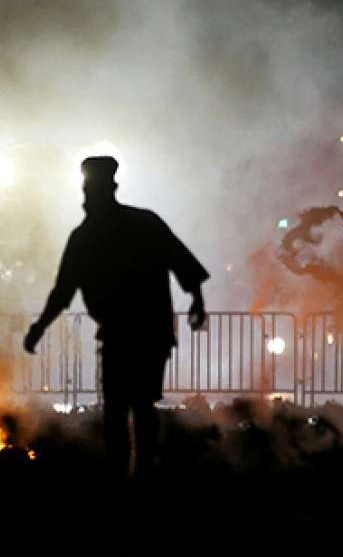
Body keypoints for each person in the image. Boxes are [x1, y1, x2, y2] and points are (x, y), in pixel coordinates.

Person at [24, 156, 208, 477]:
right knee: (142, 405)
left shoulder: (85, 236)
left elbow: (63, 291)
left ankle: (119, 475)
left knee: (118, 408)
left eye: (87, 191)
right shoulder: (145, 222)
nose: (84, 198)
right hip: (153, 330)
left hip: (122, 334)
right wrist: (197, 300)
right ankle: (143, 472)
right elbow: (181, 262)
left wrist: (39, 327)